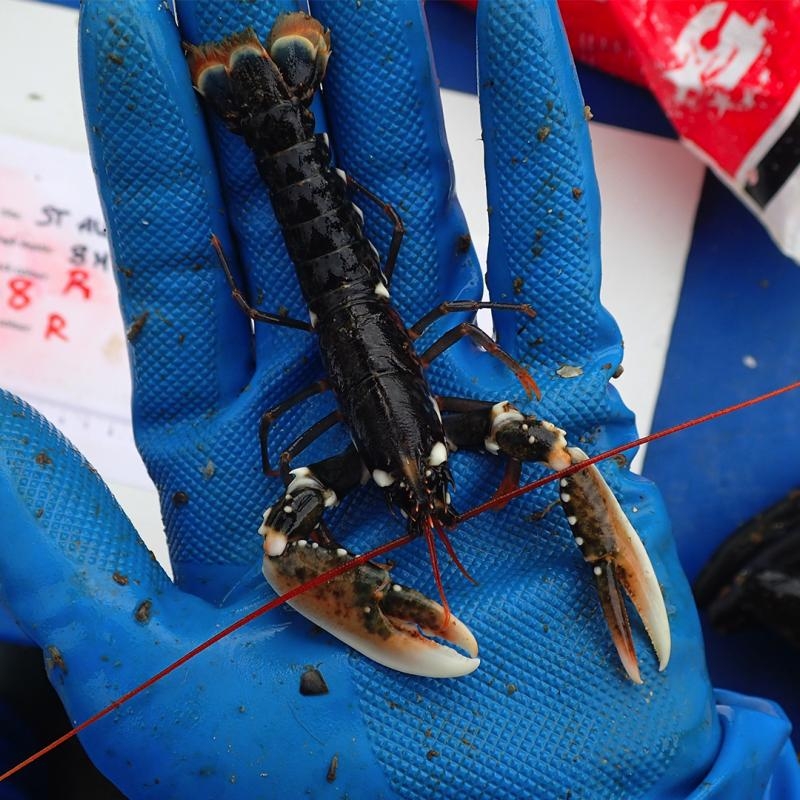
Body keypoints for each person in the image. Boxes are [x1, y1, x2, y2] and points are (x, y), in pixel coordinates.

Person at [0, 1, 796, 796]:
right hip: (340, 255)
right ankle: (274, 110)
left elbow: (307, 513)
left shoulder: (358, 455)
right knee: (532, 445)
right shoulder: (441, 413)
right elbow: (288, 539)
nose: (418, 494)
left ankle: (267, 111)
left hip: (335, 271)